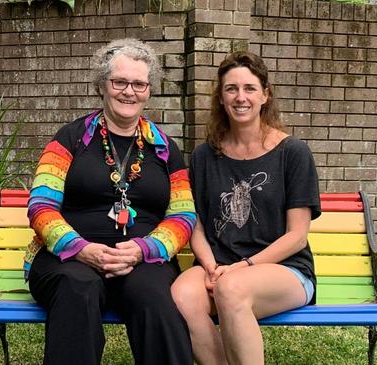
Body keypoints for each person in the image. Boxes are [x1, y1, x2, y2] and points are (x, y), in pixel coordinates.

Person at [25, 38, 196, 365]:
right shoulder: (69, 139)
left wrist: (144, 249)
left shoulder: (165, 148)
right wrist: (80, 248)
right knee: (79, 287)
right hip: (68, 260)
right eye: (119, 82)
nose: (128, 92)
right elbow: (41, 206)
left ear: (149, 90)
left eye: (139, 84)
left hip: (142, 261)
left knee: (155, 295)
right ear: (102, 85)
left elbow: (183, 215)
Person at [171, 51, 321, 365]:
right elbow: (193, 221)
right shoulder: (204, 156)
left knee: (231, 289)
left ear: (265, 95)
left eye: (250, 88)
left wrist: (242, 268)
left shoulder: (292, 152)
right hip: (221, 268)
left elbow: (297, 237)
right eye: (231, 89)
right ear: (221, 98)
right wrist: (211, 266)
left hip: (287, 271)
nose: (241, 97)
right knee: (182, 294)